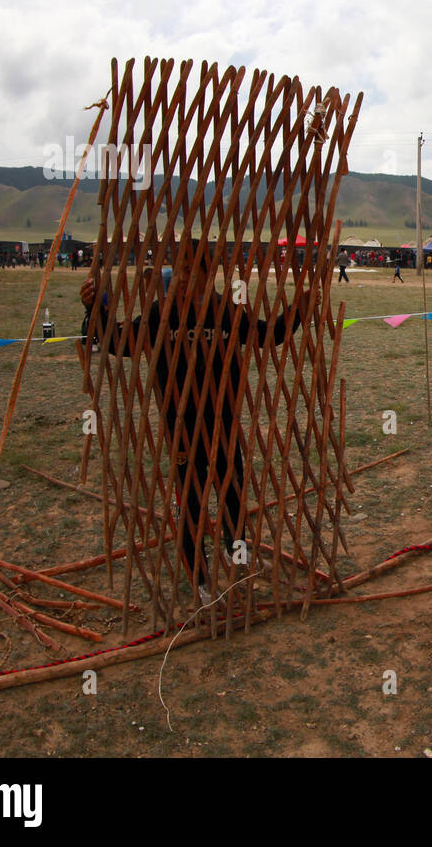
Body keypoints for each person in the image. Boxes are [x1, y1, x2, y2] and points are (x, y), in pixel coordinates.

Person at [80, 238, 311, 605]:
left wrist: (300, 308)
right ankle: (200, 579)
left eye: (192, 269)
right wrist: (95, 310)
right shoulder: (161, 314)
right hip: (181, 426)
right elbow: (119, 341)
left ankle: (237, 556)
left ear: (208, 273)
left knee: (232, 493)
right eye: (180, 268)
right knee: (190, 501)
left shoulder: (227, 311)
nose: (184, 276)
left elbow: (270, 335)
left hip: (223, 423)